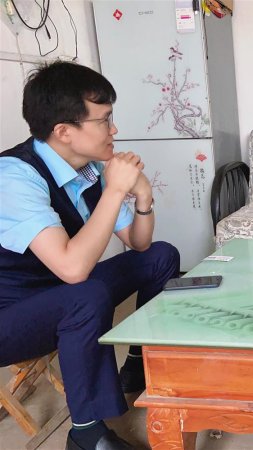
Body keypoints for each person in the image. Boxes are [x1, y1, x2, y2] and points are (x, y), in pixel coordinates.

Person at [0, 61, 180, 450]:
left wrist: (143, 196)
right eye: (104, 120)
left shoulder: (89, 169)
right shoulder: (14, 177)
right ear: (64, 131)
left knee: (161, 256)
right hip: (10, 313)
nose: (114, 129)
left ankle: (139, 365)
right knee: (86, 294)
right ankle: (86, 433)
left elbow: (139, 244)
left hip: (58, 293)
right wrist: (115, 191)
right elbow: (72, 269)